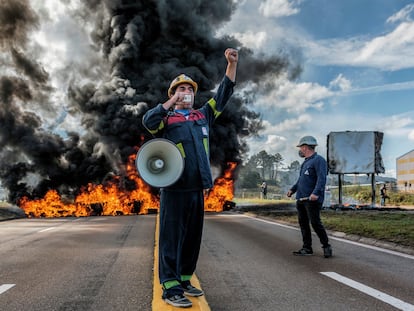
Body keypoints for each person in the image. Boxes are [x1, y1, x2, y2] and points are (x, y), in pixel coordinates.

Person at [142, 48, 238, 308]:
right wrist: (170, 103)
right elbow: (148, 122)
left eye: (190, 90)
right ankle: (170, 286)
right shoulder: (167, 119)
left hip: (198, 188)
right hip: (174, 188)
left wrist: (231, 64)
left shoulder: (202, 115)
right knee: (171, 238)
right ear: (173, 94)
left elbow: (224, 93)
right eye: (181, 89)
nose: (187, 93)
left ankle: (184, 279)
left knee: (192, 237)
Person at [286, 136, 332, 258]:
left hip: (312, 200)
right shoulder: (306, 162)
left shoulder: (319, 160)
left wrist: (315, 193)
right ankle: (307, 248)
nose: (300, 150)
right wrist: (293, 189)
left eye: (301, 147)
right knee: (303, 224)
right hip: (301, 199)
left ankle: (326, 246)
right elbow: (301, 180)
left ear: (305, 147)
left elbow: (322, 179)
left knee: (315, 223)